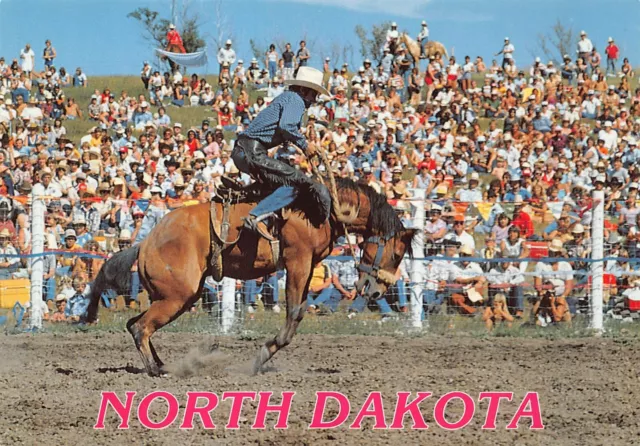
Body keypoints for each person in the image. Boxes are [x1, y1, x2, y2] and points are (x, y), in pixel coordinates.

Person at [231, 67, 331, 232]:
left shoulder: (287, 98)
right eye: (314, 94)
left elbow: (283, 130)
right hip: (252, 152)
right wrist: (305, 146)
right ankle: (256, 216)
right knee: (297, 181)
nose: (314, 99)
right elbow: (286, 126)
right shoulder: (296, 100)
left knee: (284, 179)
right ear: (303, 89)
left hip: (246, 150)